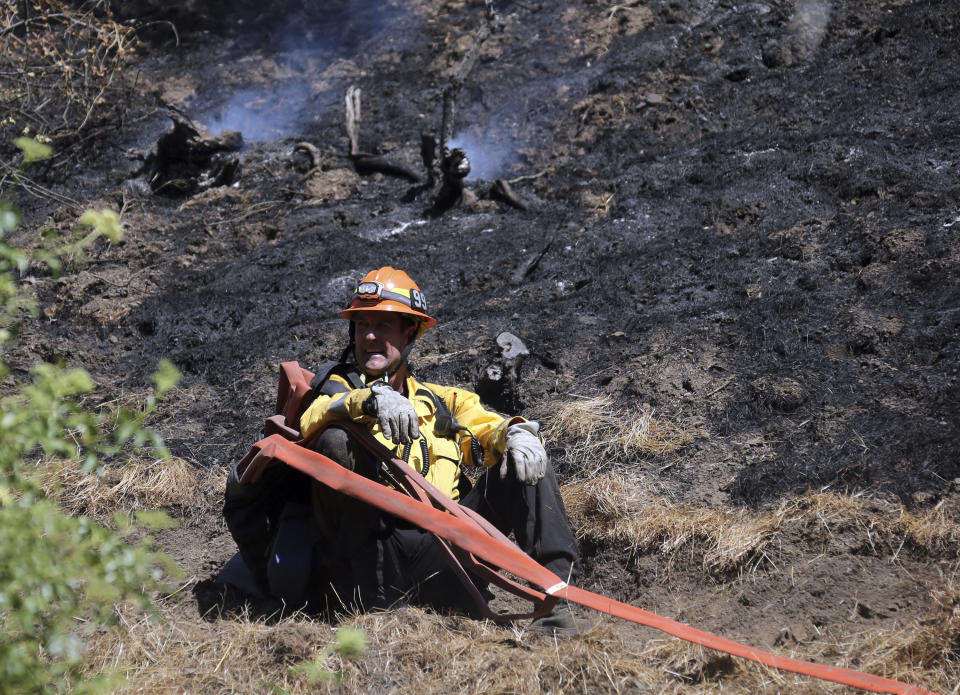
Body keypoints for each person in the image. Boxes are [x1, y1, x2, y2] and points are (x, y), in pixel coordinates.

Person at [225, 266, 581, 633]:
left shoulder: (442, 401)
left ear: (411, 332)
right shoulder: (336, 389)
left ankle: (555, 607)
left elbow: (486, 427)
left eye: (383, 326)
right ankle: (368, 611)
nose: (370, 336)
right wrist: (369, 402)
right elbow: (313, 417)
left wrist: (516, 433)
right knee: (336, 439)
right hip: (367, 564)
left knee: (526, 459)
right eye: (362, 325)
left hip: (446, 557)